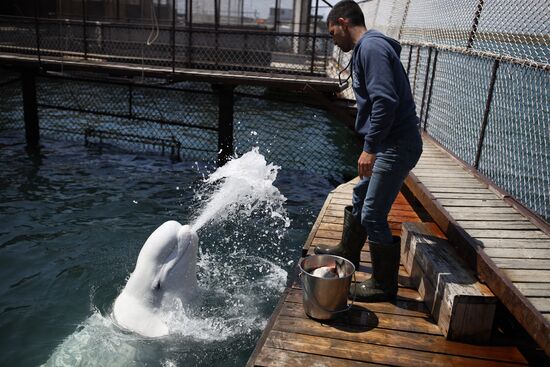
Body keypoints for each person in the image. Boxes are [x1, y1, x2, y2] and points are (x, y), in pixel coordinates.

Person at [315, 0, 423, 302]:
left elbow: (385, 101)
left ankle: (383, 285)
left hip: (395, 144)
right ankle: (348, 251)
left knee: (374, 214)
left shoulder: (371, 49)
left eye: (332, 32)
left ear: (343, 23)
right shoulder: (370, 48)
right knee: (362, 197)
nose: (332, 39)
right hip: (393, 141)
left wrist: (370, 147)